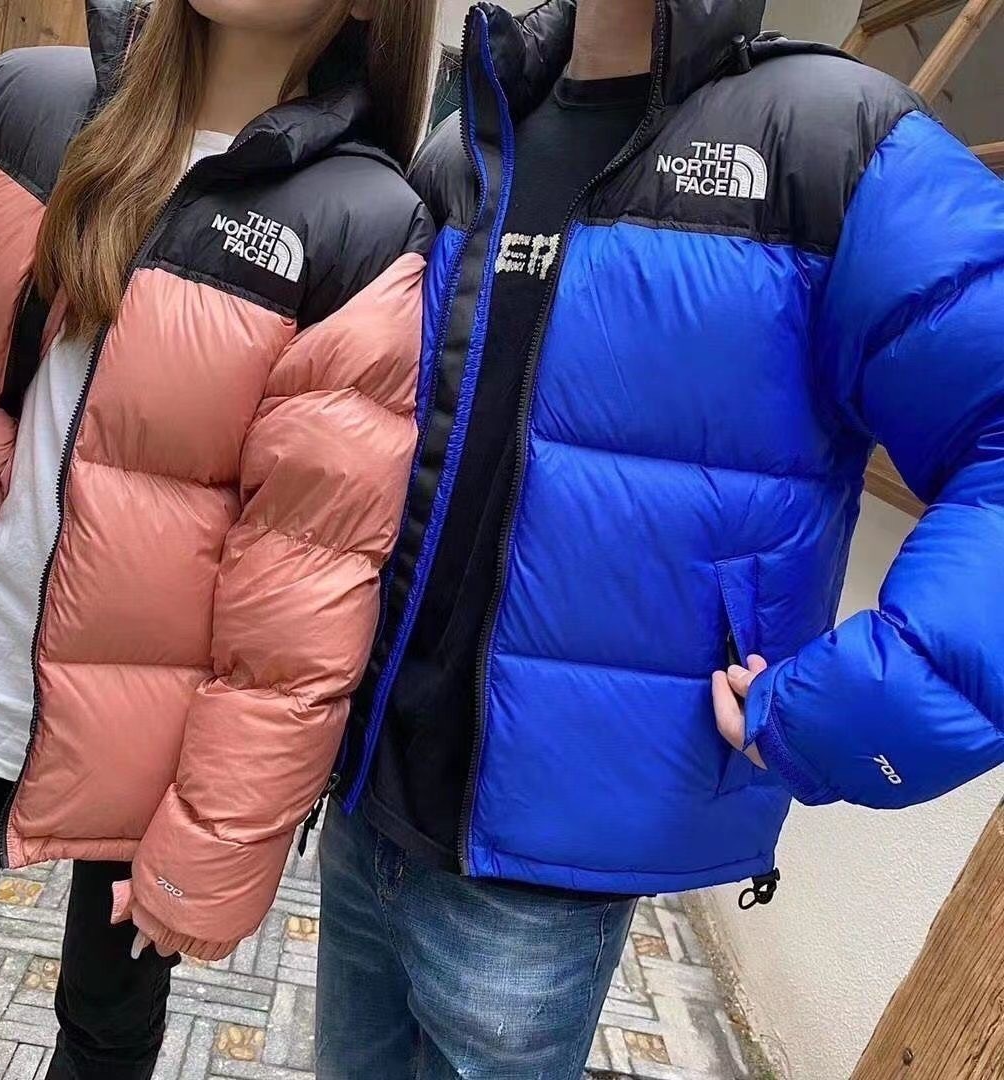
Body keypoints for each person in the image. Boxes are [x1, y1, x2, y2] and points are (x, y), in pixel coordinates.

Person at [315, 0, 1004, 1076]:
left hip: (548, 879)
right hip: (365, 808)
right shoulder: (468, 140)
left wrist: (855, 708)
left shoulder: (830, 143)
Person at [0, 0, 435, 1074]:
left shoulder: (359, 220)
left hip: (151, 737)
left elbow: (305, 581)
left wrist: (217, 835)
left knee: (105, 1034)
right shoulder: (28, 103)